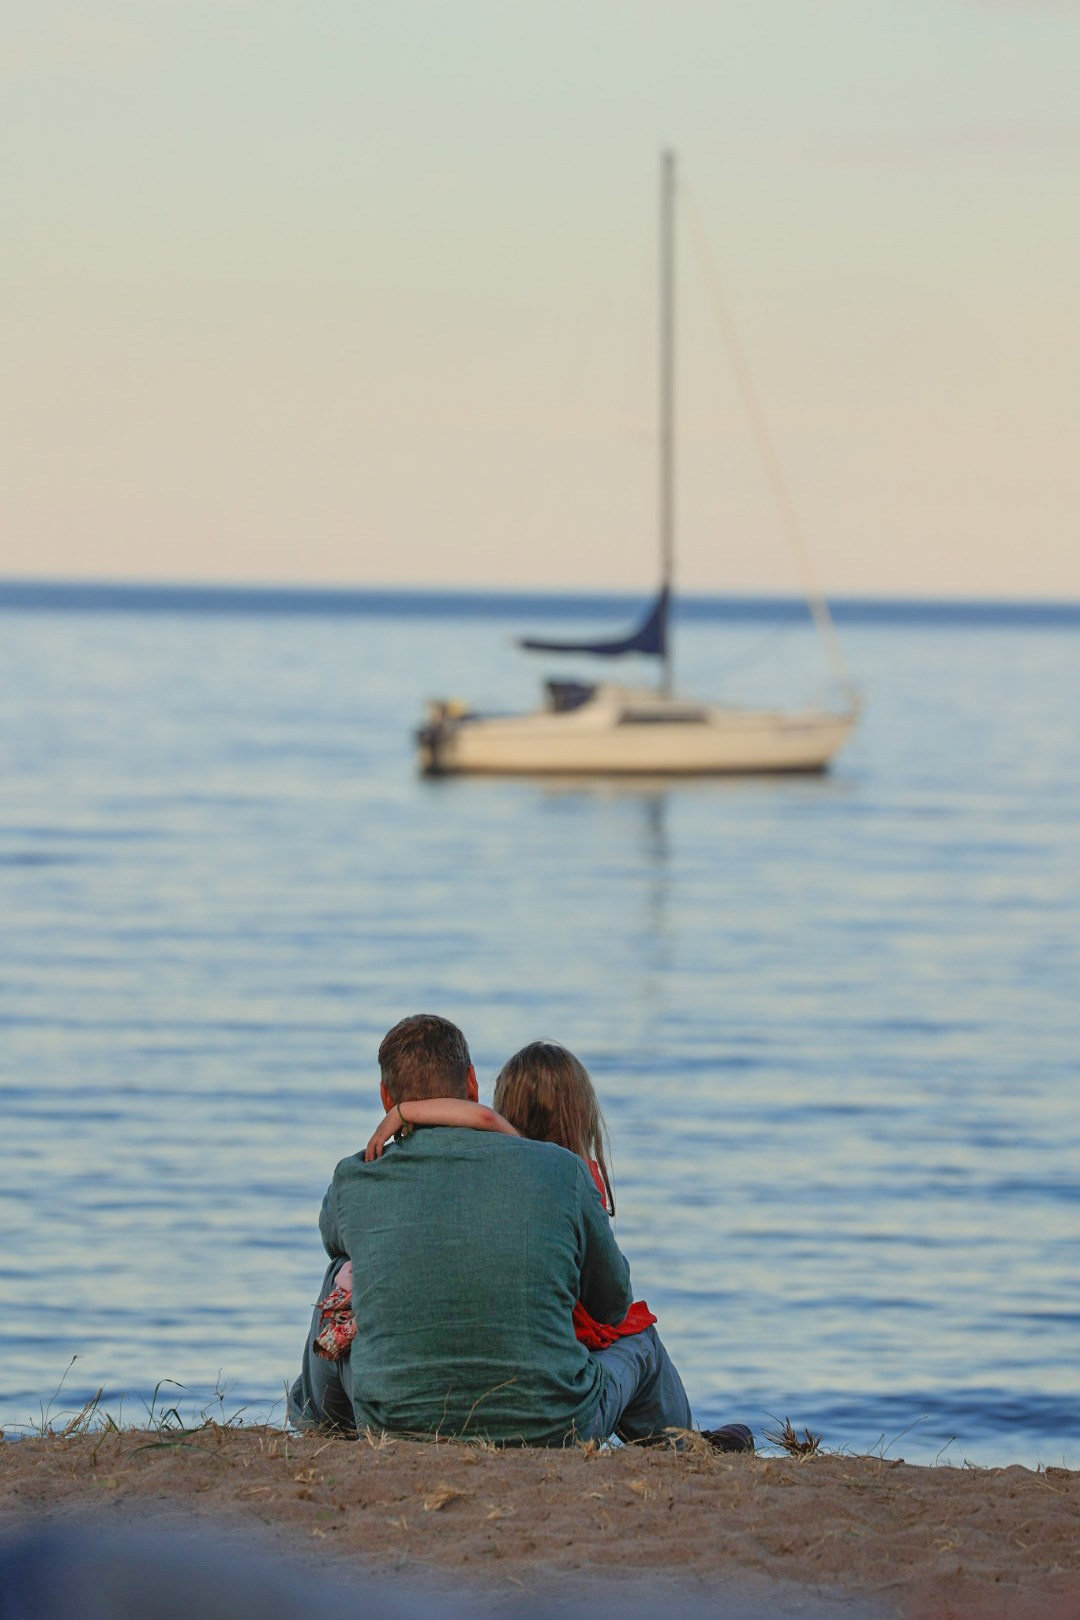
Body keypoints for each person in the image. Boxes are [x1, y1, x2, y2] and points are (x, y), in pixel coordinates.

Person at [288, 1014, 750, 1451]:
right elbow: (612, 1306)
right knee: (640, 1341)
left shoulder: (356, 1177)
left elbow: (335, 1240)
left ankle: (317, 1424)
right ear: (471, 1083)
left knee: (341, 1273)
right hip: (556, 1427)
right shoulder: (562, 1172)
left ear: (386, 1100)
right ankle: (684, 1448)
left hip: (392, 1422)